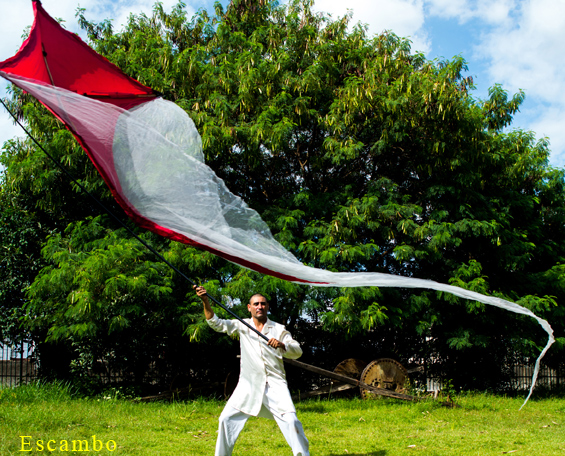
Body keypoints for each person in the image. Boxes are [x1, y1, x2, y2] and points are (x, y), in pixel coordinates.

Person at [194, 285, 310, 456]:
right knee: (225, 419)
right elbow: (216, 324)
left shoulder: (278, 329)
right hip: (247, 385)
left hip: (275, 385)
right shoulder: (242, 325)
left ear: (268, 307)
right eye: (256, 304)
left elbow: (297, 351)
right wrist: (205, 301)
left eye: (263, 304)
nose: (259, 307)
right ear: (249, 307)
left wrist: (282, 345)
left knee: (292, 421)